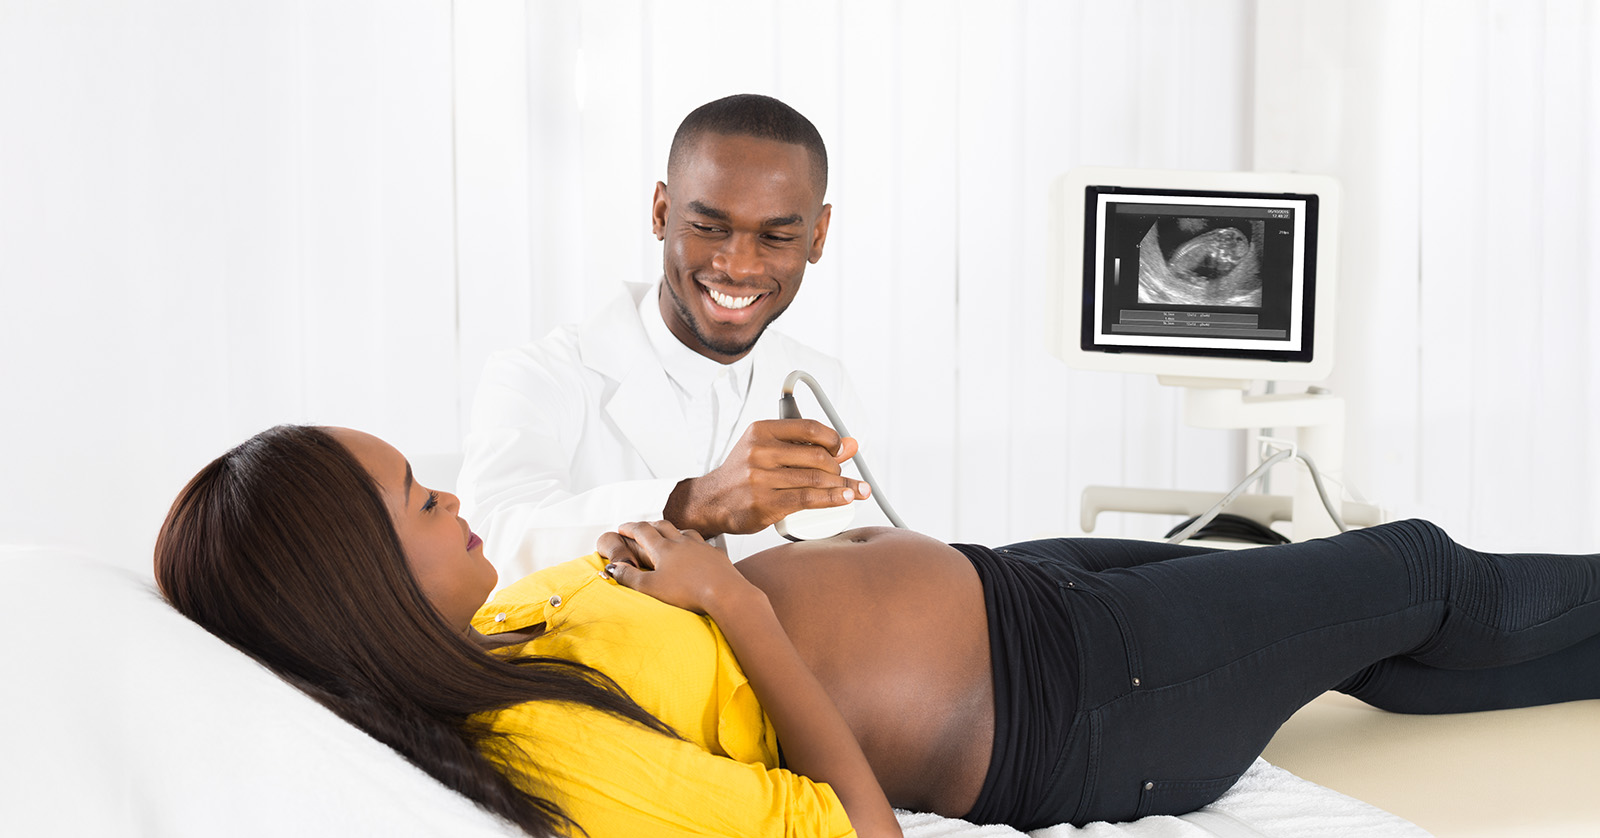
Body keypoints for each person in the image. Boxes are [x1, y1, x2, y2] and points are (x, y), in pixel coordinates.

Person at [156, 425, 1600, 837]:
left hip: (1020, 600)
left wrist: (705, 539)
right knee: (1408, 568)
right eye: (417, 497)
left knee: (1371, 614)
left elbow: (694, 634)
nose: (454, 494)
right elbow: (854, 831)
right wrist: (729, 599)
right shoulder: (541, 750)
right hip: (1077, 706)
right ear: (351, 582)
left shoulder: (501, 626)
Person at [458, 93, 880, 580]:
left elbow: (851, 572)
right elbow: (492, 545)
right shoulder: (536, 376)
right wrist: (691, 504)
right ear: (661, 212)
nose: (738, 266)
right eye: (707, 225)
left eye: (776, 237)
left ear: (818, 236)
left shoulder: (827, 385)